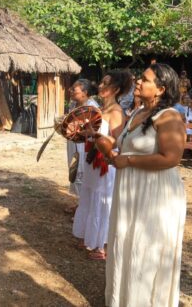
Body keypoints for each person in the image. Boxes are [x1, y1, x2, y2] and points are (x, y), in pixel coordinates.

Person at [105, 63, 187, 306]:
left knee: (145, 248)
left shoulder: (169, 116)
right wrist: (102, 141)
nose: (138, 82)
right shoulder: (138, 112)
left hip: (155, 194)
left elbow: (171, 158)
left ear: (161, 89)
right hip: (131, 190)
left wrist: (128, 160)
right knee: (128, 243)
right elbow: (122, 144)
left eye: (145, 79)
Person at [72, 69, 132, 260]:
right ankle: (88, 237)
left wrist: (96, 135)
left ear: (115, 89)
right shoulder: (100, 110)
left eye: (106, 83)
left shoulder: (116, 112)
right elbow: (93, 135)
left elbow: (117, 142)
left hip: (104, 163)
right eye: (102, 82)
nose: (100, 86)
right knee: (89, 197)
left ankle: (101, 246)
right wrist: (83, 133)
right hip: (91, 159)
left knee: (102, 201)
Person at [66, 80, 99, 197]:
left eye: (74, 89)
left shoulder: (92, 108)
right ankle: (79, 203)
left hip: (84, 144)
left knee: (83, 170)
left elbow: (95, 129)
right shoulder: (73, 104)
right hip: (73, 142)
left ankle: (83, 203)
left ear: (84, 92)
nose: (71, 90)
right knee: (74, 168)